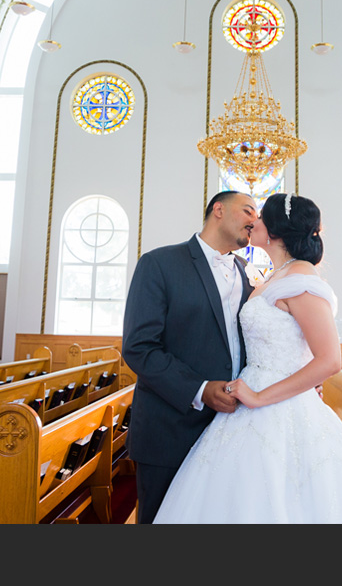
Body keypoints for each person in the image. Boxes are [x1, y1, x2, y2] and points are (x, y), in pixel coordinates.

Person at [152, 192, 342, 524]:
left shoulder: (301, 278)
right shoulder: (271, 276)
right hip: (247, 400)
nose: (255, 222)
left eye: (262, 216)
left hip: (275, 404)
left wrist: (259, 396)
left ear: (278, 229)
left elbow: (329, 359)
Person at [121, 190, 257, 524]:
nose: (255, 221)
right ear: (219, 210)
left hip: (231, 428)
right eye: (249, 210)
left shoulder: (247, 272)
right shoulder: (159, 263)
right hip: (170, 428)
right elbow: (139, 347)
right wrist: (199, 389)